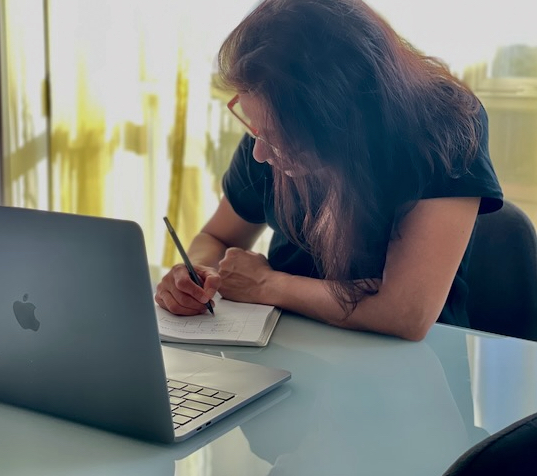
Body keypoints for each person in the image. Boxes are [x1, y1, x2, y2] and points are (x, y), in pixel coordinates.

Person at [155, 0, 503, 341]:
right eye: (255, 126)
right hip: (294, 344)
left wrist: (269, 284)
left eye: (279, 136)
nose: (260, 152)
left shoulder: (442, 126)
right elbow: (218, 238)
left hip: (410, 364)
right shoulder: (271, 124)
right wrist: (195, 276)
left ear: (340, 121)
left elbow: (405, 314)